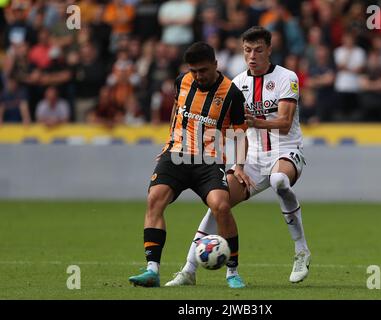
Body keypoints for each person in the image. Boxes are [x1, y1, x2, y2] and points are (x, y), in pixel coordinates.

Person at [165, 26, 310, 288]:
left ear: (269, 49)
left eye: (258, 50)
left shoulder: (287, 77)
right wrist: (238, 165)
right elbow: (236, 131)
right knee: (218, 204)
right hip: (252, 157)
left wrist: (254, 121)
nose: (252, 55)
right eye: (247, 50)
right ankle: (188, 269)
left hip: (285, 150)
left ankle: (301, 251)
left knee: (279, 180)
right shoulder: (238, 84)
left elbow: (286, 122)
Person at [128, 42, 250, 288]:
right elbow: (177, 109)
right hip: (176, 155)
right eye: (193, 70)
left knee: (221, 206)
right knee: (155, 199)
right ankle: (152, 269)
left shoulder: (232, 93)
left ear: (216, 65)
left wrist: (239, 166)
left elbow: (240, 134)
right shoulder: (181, 81)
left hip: (208, 160)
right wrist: (169, 141)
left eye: (203, 70)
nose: (198, 76)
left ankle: (233, 272)